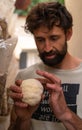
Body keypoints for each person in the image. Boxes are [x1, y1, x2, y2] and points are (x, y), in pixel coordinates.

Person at [8, 1, 82, 130]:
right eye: (40, 40)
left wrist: (65, 114)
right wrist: (23, 119)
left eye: (54, 38)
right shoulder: (24, 76)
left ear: (68, 34)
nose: (47, 48)